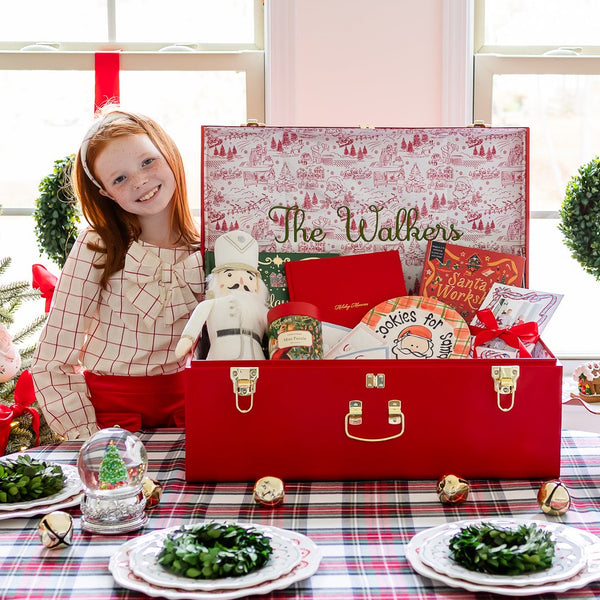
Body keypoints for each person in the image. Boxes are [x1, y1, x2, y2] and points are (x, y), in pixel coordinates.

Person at [31, 108, 204, 440]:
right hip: (108, 417)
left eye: (147, 161)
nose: (140, 180)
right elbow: (52, 359)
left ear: (168, 153)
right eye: (120, 178)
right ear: (106, 193)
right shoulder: (98, 245)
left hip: (192, 413)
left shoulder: (208, 250)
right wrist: (85, 435)